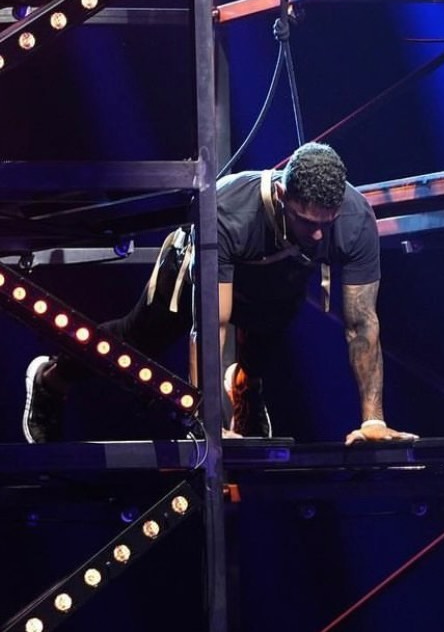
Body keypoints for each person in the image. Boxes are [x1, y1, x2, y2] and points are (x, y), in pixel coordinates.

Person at [22, 142, 419, 446]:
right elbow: (213, 325)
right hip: (194, 274)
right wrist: (210, 425)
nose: (318, 235)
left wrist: (373, 421)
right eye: (306, 221)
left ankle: (245, 386)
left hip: (271, 280)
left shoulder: (355, 218)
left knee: (274, 325)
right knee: (138, 340)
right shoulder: (229, 212)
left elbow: (362, 325)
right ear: (282, 195)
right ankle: (52, 379)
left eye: (325, 224)